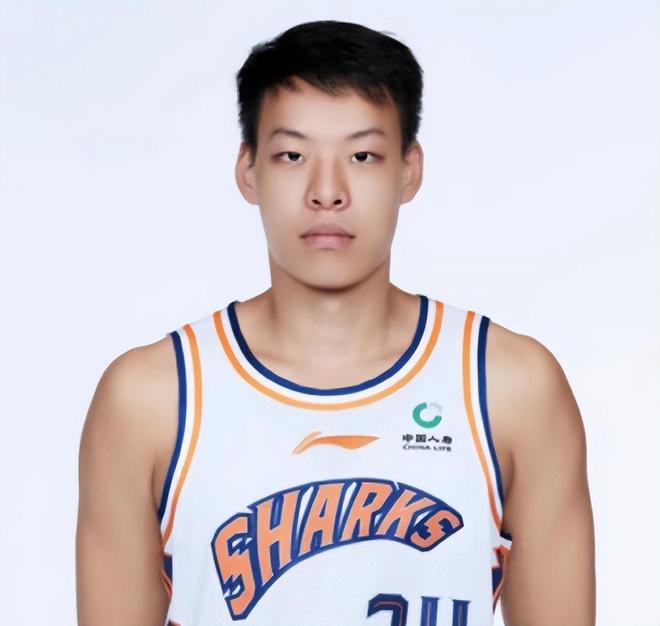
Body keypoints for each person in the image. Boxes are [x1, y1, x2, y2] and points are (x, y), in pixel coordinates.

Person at [75, 19, 595, 626]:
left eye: (362, 155)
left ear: (409, 169)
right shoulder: (150, 401)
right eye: (293, 155)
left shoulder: (511, 389)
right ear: (249, 170)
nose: (327, 191)